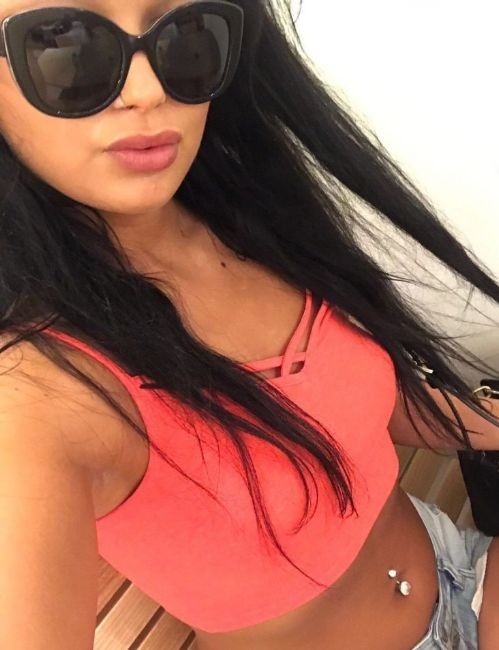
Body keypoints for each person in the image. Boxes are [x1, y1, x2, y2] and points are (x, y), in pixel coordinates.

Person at [0, 1, 498, 649]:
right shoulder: (32, 392)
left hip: (462, 569)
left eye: (186, 33)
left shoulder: (252, 216)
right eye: (64, 43)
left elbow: (366, 402)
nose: (148, 89)